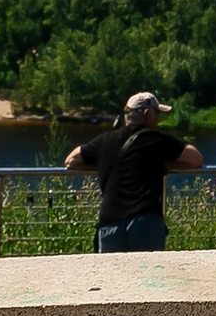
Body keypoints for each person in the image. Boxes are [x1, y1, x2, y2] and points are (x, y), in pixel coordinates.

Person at [64, 89, 202, 251]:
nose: (158, 119)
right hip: (145, 221)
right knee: (147, 268)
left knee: (113, 268)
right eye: (157, 113)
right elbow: (195, 159)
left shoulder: (104, 140)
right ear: (147, 113)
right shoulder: (156, 140)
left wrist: (103, 165)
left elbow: (71, 161)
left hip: (109, 223)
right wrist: (164, 165)